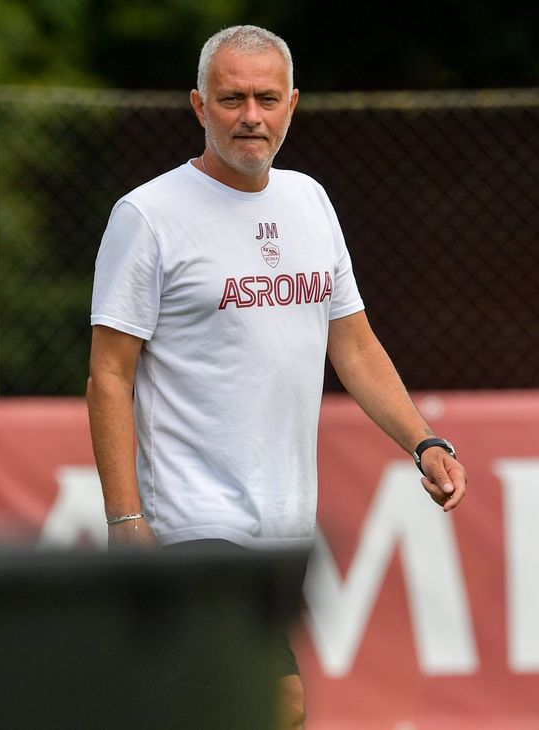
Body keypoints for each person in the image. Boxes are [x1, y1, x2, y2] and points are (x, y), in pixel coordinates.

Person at [85, 24, 468, 730]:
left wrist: (423, 441)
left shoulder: (309, 202)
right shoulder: (147, 216)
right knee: (278, 701)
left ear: (293, 104)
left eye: (266, 98)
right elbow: (109, 376)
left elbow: (352, 345)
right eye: (232, 99)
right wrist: (126, 519)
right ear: (199, 107)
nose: (250, 116)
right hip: (191, 522)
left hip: (282, 526)